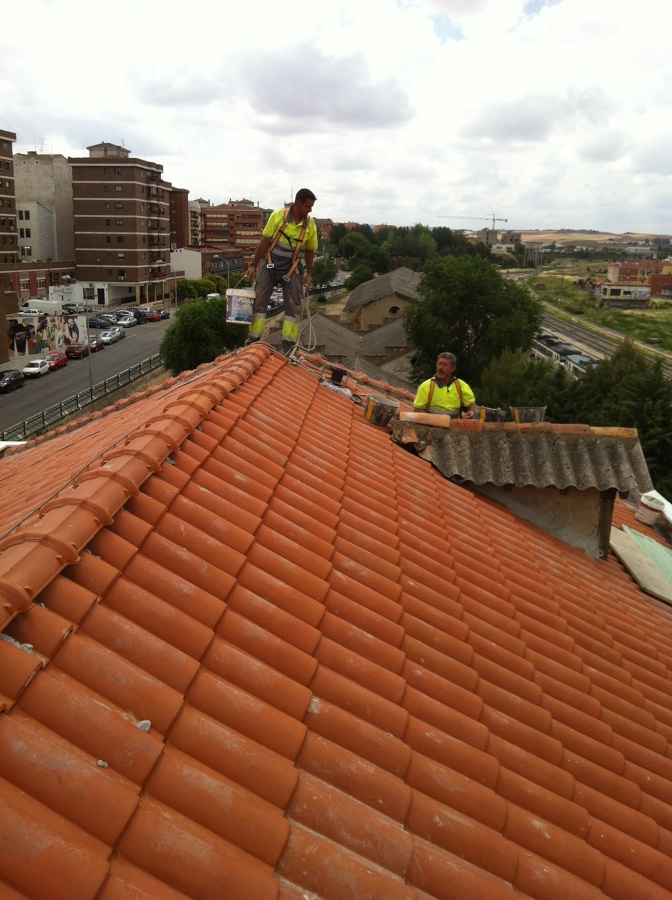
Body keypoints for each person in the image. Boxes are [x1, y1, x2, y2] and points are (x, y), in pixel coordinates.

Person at [244, 188, 318, 354]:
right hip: (271, 266)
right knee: (260, 302)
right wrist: (254, 265)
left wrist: (309, 274)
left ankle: (289, 348)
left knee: (293, 308)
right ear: (298, 203)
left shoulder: (310, 224)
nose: (310, 210)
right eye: (308, 206)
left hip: (293, 270)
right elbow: (265, 241)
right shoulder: (278, 216)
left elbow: (310, 251)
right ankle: (253, 342)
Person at [413, 352, 477, 418]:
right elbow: (417, 409)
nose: (440, 367)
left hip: (455, 424)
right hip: (431, 424)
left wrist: (471, 412)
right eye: (439, 364)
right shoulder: (425, 386)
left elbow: (471, 404)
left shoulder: (461, 386)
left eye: (445, 365)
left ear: (453, 368)